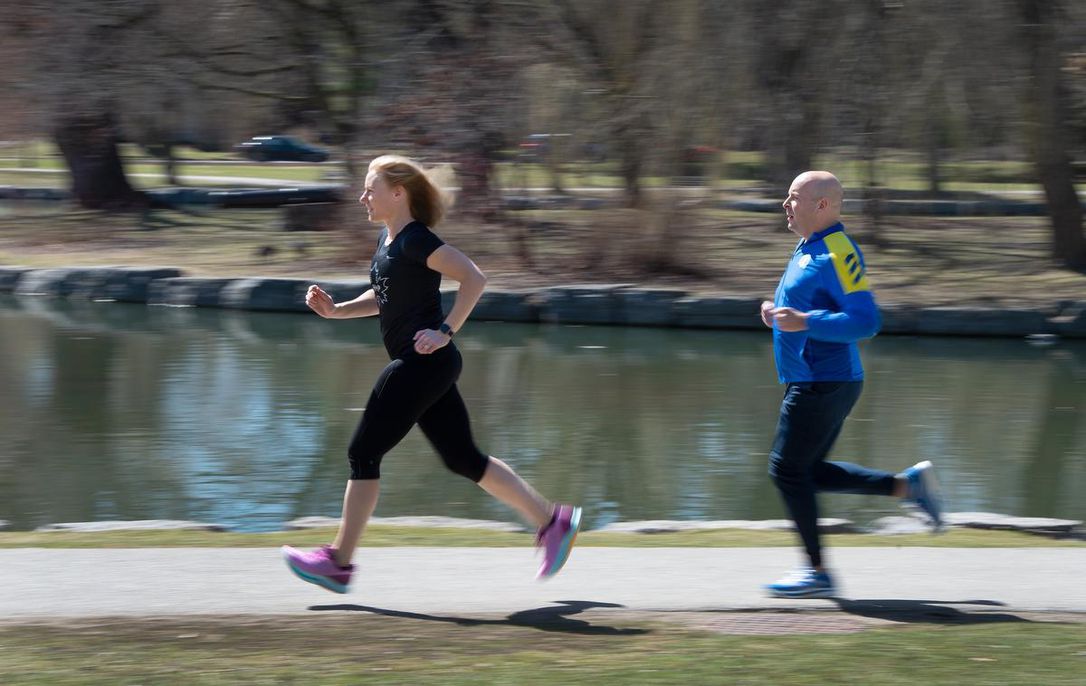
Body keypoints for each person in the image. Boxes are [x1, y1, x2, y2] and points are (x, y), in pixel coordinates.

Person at [282, 155, 581, 593]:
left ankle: (339, 562)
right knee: (464, 459)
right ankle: (552, 521)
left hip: (422, 362)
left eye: (371, 188)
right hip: (429, 366)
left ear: (398, 193)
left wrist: (445, 330)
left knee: (363, 452)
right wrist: (337, 311)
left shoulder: (417, 240)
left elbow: (473, 278)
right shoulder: (389, 242)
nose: (363, 196)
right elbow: (387, 298)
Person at [759, 170, 943, 599]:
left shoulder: (838, 252)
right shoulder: (810, 246)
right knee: (807, 472)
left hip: (823, 381)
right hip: (815, 379)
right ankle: (907, 486)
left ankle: (818, 572)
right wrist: (777, 310)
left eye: (792, 197)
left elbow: (866, 321)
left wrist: (805, 321)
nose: (785, 204)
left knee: (786, 470)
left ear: (821, 205)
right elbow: (807, 304)